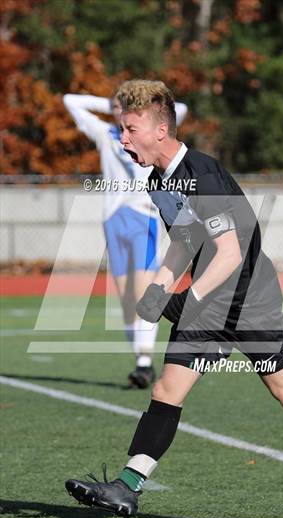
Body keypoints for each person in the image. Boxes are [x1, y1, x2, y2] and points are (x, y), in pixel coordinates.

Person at [66, 80, 283, 518]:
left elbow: (231, 254)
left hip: (249, 299)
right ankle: (127, 487)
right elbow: (185, 240)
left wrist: (187, 300)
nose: (122, 138)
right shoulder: (157, 180)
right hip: (208, 299)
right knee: (167, 388)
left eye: (129, 129)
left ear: (161, 130)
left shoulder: (203, 176)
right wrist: (160, 288)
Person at [63, 92, 188, 388]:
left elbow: (178, 108)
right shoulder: (107, 134)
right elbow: (70, 101)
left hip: (144, 215)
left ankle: (145, 363)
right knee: (126, 298)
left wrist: (144, 105)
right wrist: (108, 104)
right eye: (120, 107)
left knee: (144, 292)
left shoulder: (147, 133)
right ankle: (140, 361)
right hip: (114, 219)